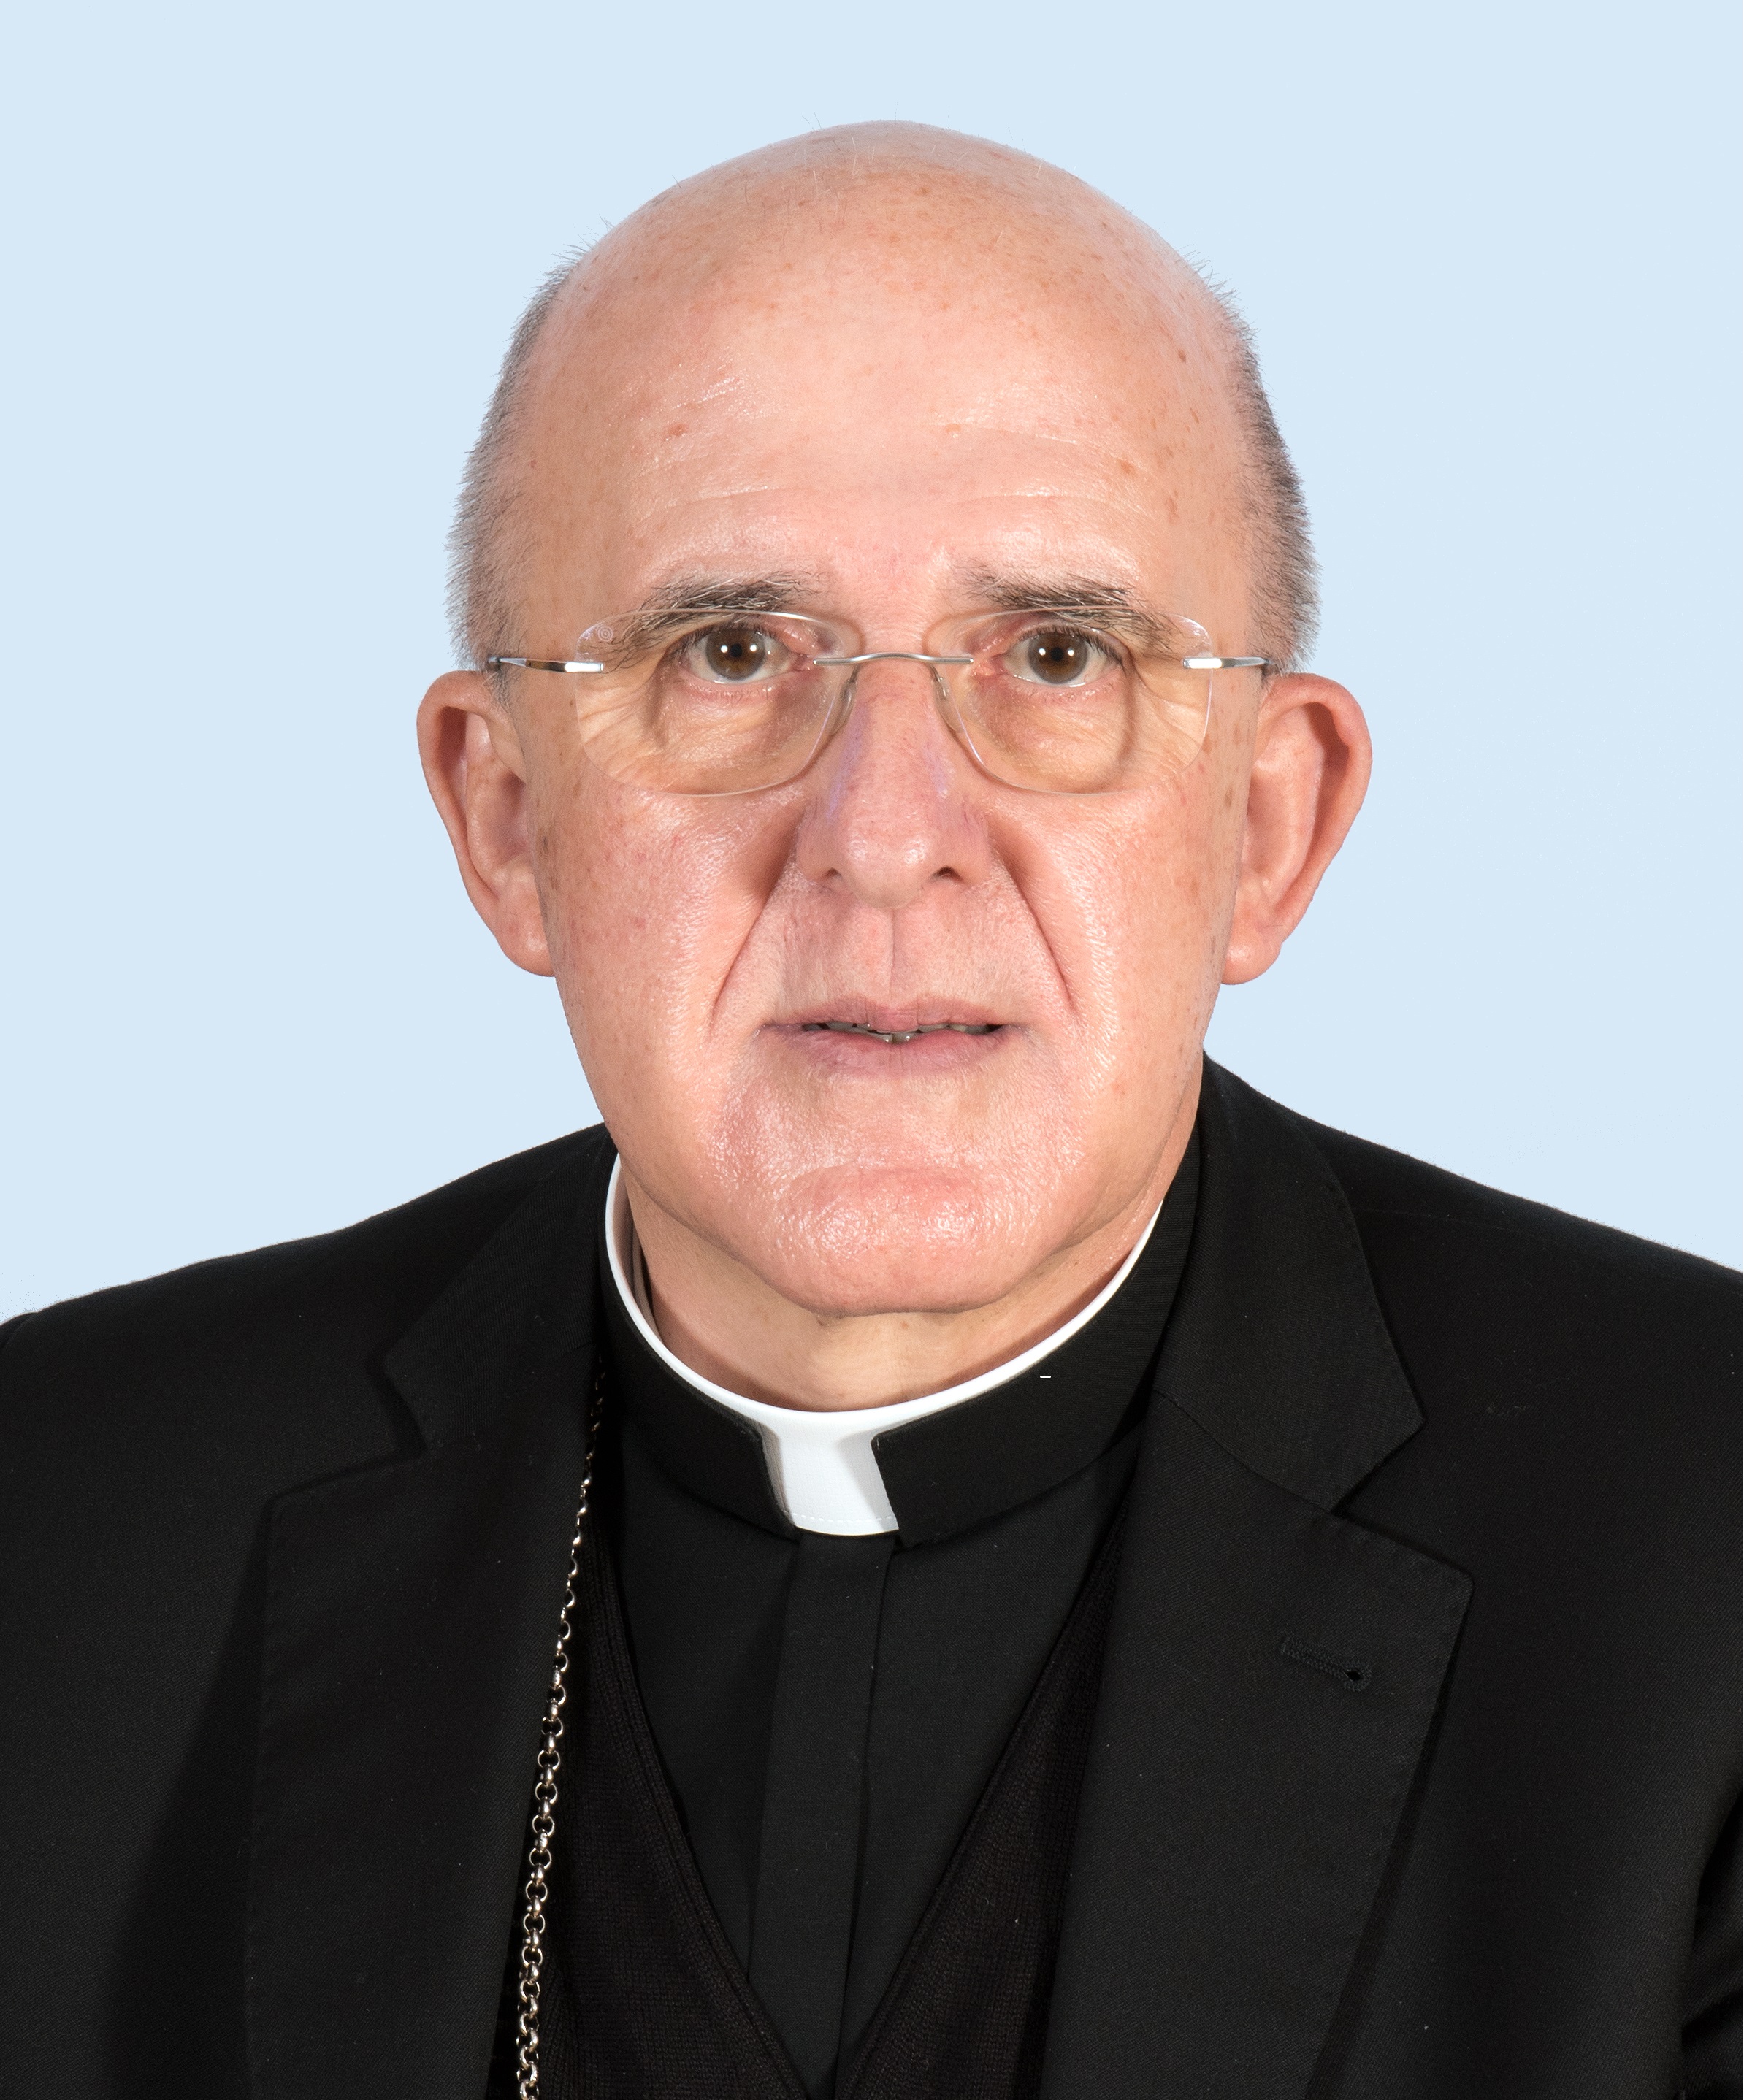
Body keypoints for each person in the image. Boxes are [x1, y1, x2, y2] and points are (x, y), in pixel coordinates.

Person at [1, 123, 1735, 2100]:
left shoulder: (1711, 1557)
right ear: (506, 815)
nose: (887, 835)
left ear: (1267, 823)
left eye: (1058, 657)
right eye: (729, 654)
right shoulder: (55, 1529)